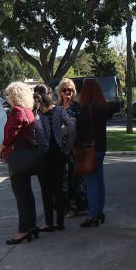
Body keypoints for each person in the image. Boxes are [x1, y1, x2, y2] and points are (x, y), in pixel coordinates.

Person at [0, 81, 40, 245]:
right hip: (27, 156)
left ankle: (24, 230)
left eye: (9, 95)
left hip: (18, 158)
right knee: (27, 195)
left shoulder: (16, 110)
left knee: (21, 196)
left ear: (14, 95)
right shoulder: (28, 111)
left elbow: (11, 134)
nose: (8, 98)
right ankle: (31, 227)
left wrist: (2, 148)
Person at [33, 84, 69, 232]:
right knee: (59, 188)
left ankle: (49, 222)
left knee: (46, 189)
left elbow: (38, 132)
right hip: (59, 153)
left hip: (43, 155)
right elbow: (71, 126)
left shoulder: (36, 113)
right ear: (50, 94)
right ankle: (60, 222)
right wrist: (67, 144)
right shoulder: (59, 110)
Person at [76, 78, 108, 228]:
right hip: (101, 147)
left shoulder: (86, 108)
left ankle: (93, 215)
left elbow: (80, 130)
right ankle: (99, 211)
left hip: (89, 149)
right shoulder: (102, 107)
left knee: (91, 182)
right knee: (99, 181)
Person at [57, 78, 86, 216]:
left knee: (75, 178)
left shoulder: (77, 107)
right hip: (59, 148)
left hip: (74, 148)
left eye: (70, 90)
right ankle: (64, 206)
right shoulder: (57, 107)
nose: (68, 92)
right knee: (62, 178)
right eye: (65, 90)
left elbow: (80, 127)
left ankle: (75, 206)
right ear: (60, 92)